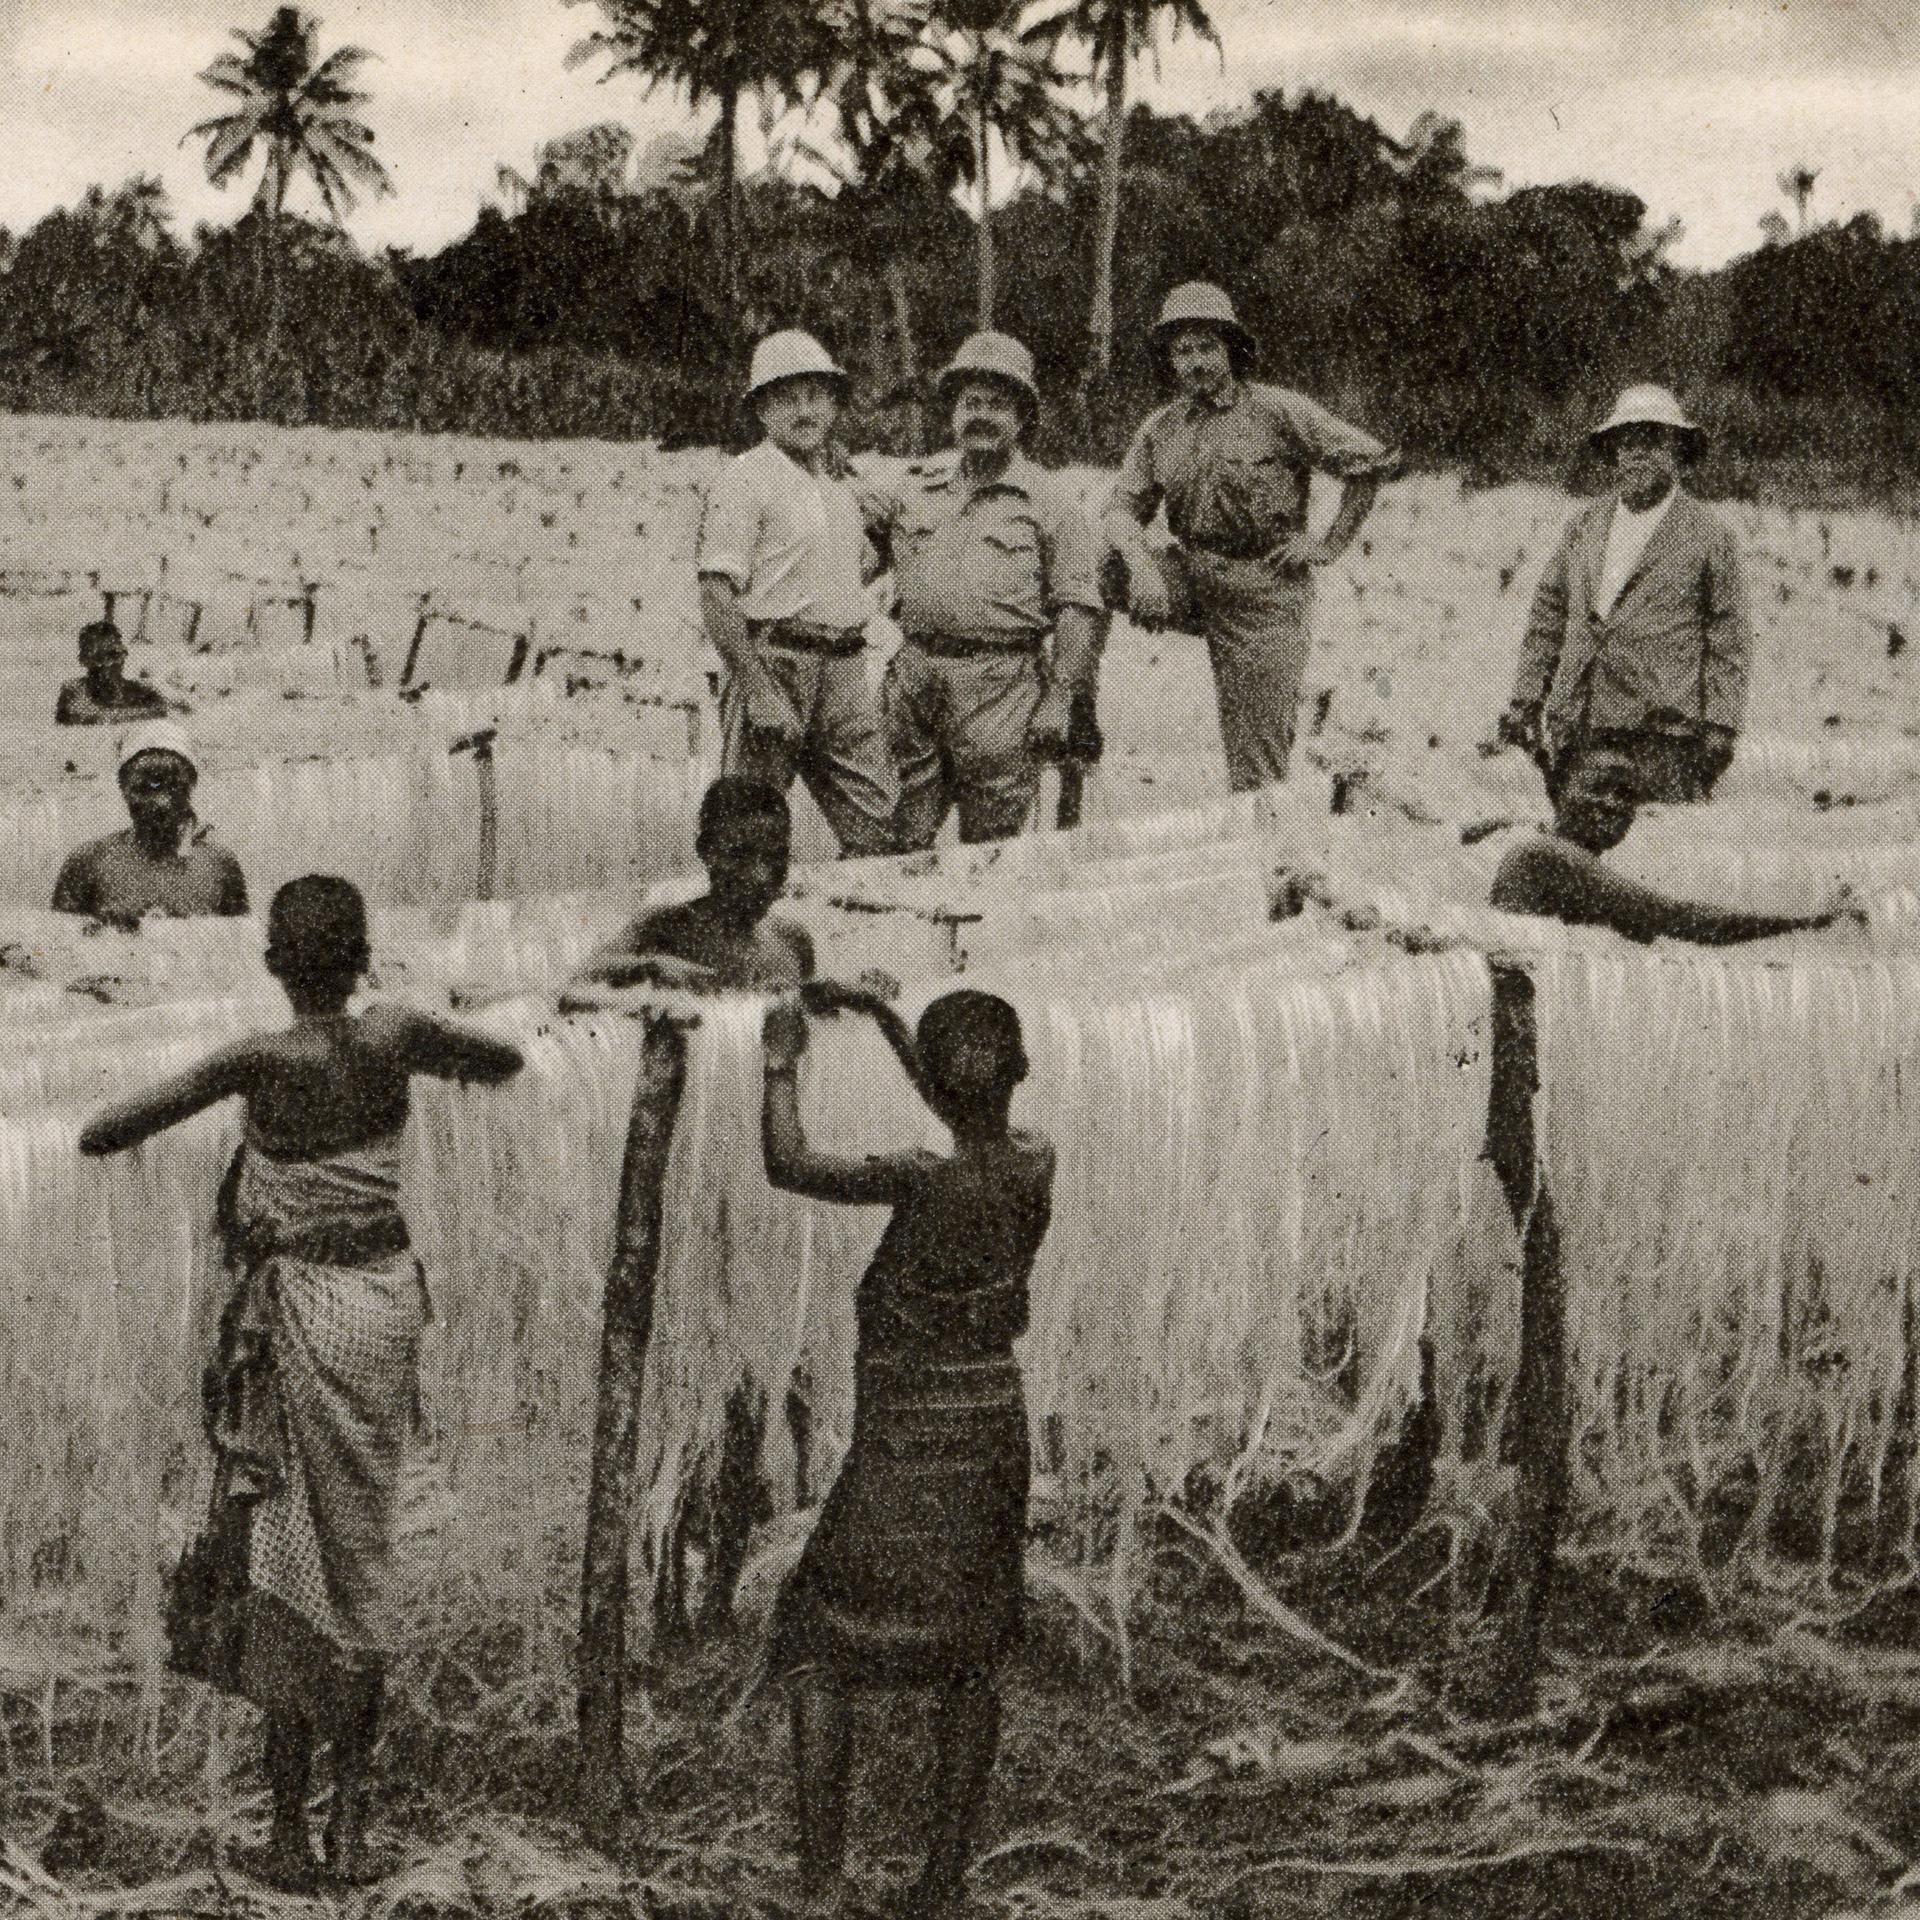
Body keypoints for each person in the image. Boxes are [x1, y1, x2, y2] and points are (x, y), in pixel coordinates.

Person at [78, 877, 525, 1890]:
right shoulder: (398, 1035)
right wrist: (420, 1023)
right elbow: (500, 1061)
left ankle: (287, 1832)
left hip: (294, 1318)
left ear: (274, 963)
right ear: (365, 955)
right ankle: (353, 1829)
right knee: (361, 1567)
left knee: (287, 1564)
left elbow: (103, 1132)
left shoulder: (258, 1059)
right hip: (378, 1312)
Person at [760, 985, 1054, 1920]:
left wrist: (780, 1060)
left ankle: (819, 1886)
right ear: (1021, 1075)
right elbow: (960, 1104)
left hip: (905, 1447)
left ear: (933, 1084)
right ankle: (942, 1884)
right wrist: (882, 1019)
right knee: (971, 1657)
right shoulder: (1034, 1163)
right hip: (991, 1434)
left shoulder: (916, 1179)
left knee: (815, 1639)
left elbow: (787, 1161)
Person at [1105, 282, 1396, 792]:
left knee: (1257, 772)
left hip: (1266, 592)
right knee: (1090, 568)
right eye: (1182, 351)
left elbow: (1369, 464)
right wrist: (1143, 568)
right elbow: (1121, 510)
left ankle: (1262, 857)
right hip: (1192, 576)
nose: (1194, 362)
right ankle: (1074, 704)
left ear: (1231, 350)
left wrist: (1326, 545)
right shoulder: (1162, 428)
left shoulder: (1278, 411)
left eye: (1206, 347)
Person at [864, 331, 1104, 849]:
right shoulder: (913, 487)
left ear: (1021, 418)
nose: (982, 416)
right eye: (971, 402)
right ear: (952, 413)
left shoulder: (1050, 501)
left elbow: (1078, 608)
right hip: (914, 684)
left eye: (998, 405)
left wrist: (1059, 700)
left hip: (1002, 691)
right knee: (897, 839)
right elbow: (853, 558)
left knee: (994, 847)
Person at [1496, 384, 1750, 805]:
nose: (1637, 454)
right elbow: (1549, 614)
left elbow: (1728, 636)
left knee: (1656, 857)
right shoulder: (1585, 525)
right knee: (1577, 854)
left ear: (1677, 451)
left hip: (1663, 740)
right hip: (1581, 728)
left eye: (1651, 441)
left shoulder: (1709, 535)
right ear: (1613, 451)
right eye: (1626, 442)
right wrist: (1526, 699)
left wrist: (1721, 727)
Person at [696, 331, 897, 859]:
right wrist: (757, 688)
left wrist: (890, 534)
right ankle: (750, 941)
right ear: (762, 408)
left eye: (816, 395)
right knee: (748, 837)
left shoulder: (842, 489)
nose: (804, 410)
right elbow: (717, 593)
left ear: (833, 405)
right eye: (787, 397)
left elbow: (853, 573)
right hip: (774, 660)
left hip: (845, 670)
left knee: (876, 828)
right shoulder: (743, 480)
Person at [1489, 741, 1861, 942]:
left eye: (1626, 794)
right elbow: (1672, 918)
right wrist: (1808, 924)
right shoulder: (1546, 855)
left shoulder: (1554, 856)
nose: (1613, 804)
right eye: (1599, 787)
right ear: (1559, 792)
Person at [561, 776, 815, 1010]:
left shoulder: (793, 942)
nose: (760, 875)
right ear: (706, 852)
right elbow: (573, 985)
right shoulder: (664, 927)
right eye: (740, 855)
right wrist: (650, 969)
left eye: (776, 857)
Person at [50, 721, 248, 929]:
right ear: (124, 789)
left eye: (174, 787)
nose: (161, 801)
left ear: (190, 788)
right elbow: (61, 945)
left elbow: (239, 946)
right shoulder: (88, 863)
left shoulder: (219, 865)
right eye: (147, 787)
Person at [55, 619, 175, 725]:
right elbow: (86, 716)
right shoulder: (74, 690)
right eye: (105, 658)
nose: (115, 663)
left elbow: (164, 708)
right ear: (87, 662)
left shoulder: (138, 691)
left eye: (119, 655)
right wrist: (145, 712)